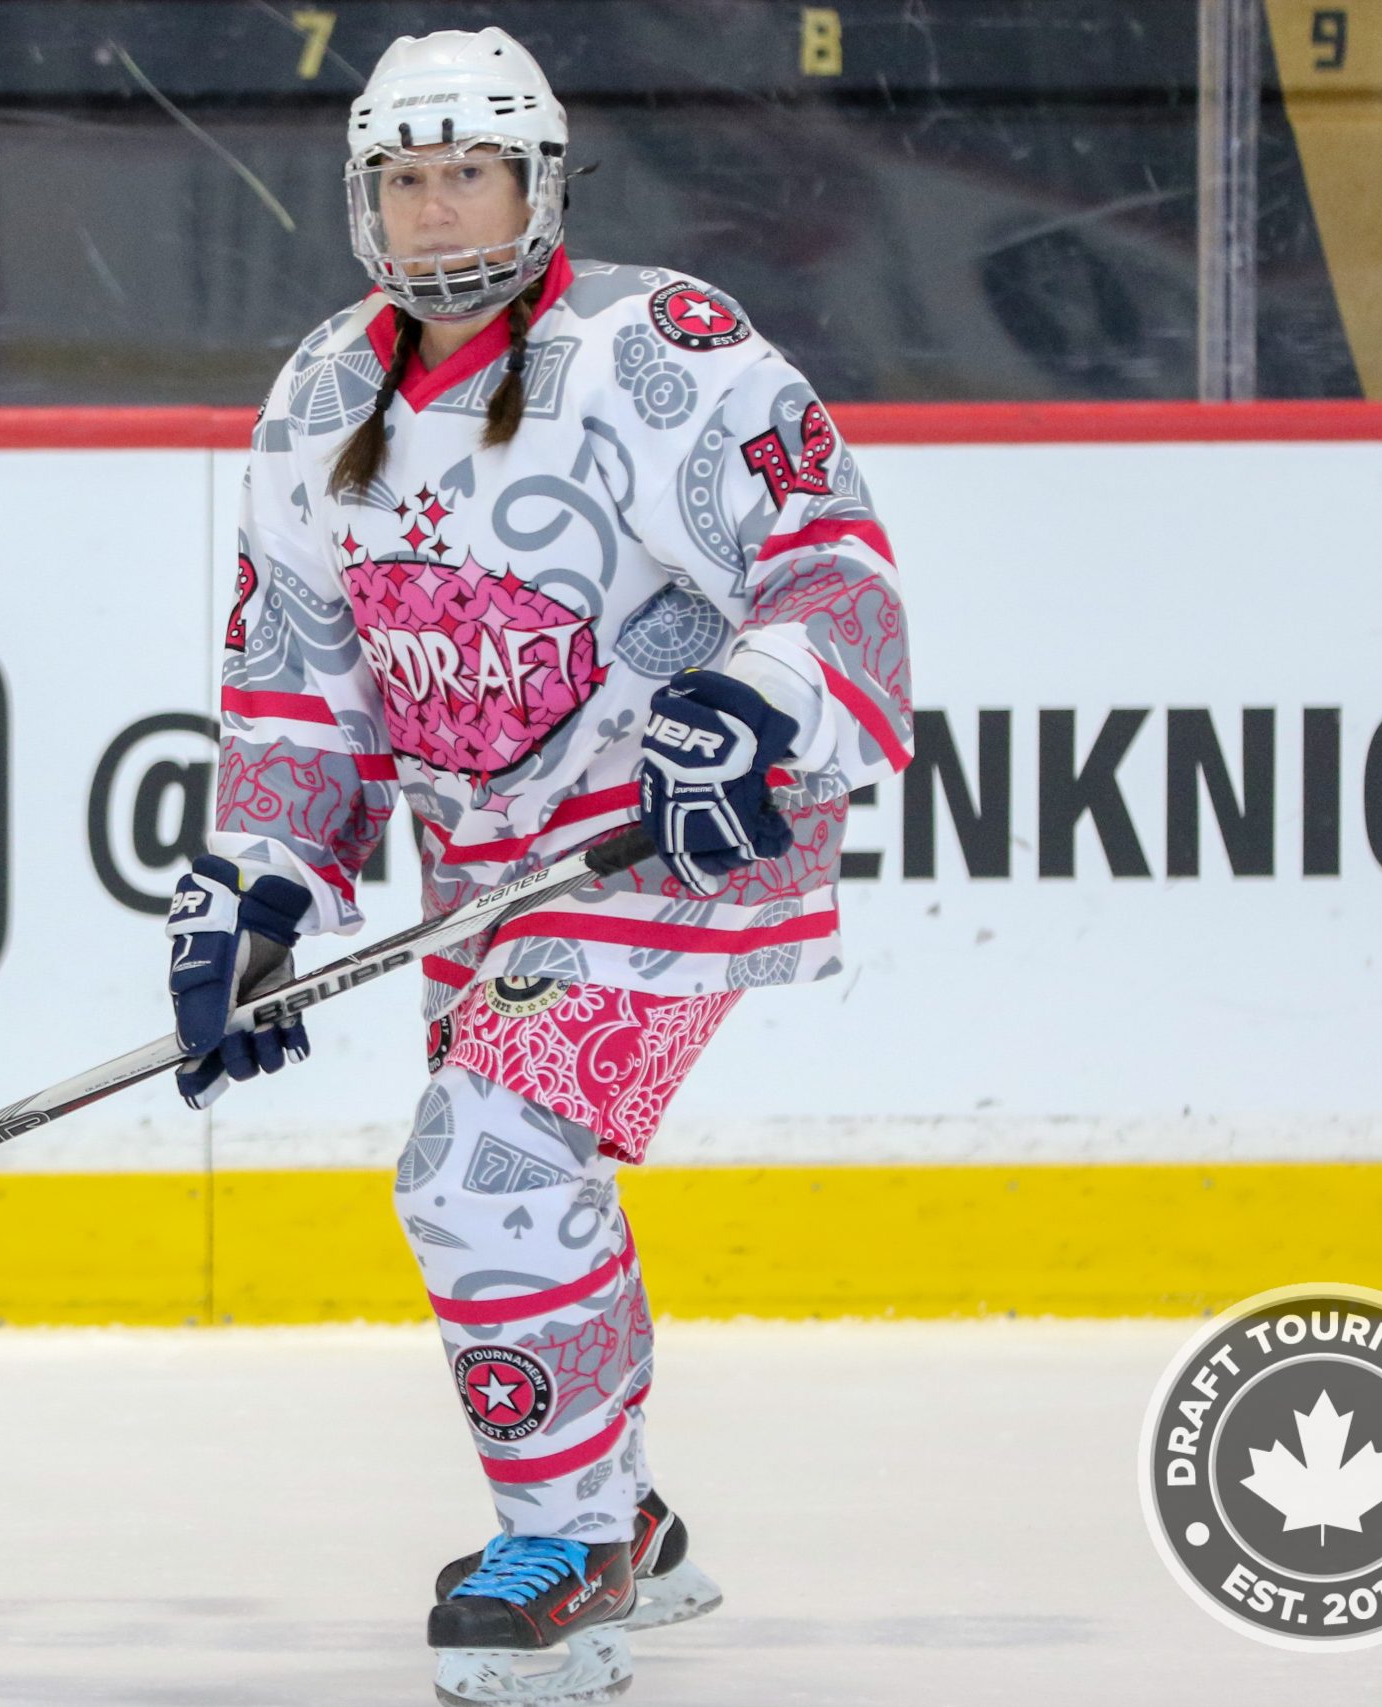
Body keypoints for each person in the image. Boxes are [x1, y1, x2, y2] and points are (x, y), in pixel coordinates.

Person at [165, 27, 914, 1704]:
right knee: (523, 1168)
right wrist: (262, 887)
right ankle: (624, 1513)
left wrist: (752, 706)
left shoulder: (660, 347)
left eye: (474, 174)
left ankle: (566, 1547)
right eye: (407, 180)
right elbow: (296, 682)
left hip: (678, 843)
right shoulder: (320, 397)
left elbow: (834, 567)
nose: (438, 210)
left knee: (477, 1167)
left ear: (540, 183)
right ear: (363, 197)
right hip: (490, 875)